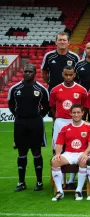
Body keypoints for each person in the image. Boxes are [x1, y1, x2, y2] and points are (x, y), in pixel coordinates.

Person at [8, 64, 49, 192]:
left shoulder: (41, 89)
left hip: (36, 123)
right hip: (20, 123)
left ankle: (39, 181)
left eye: (30, 71)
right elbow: (11, 104)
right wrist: (18, 116)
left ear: (35, 73)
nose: (27, 73)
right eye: (26, 71)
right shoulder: (15, 88)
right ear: (22, 72)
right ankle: (21, 182)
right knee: (21, 152)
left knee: (36, 151)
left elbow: (46, 106)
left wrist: (37, 117)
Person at [51, 104, 90, 201]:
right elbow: (59, 144)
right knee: (55, 161)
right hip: (68, 154)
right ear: (70, 114)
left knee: (83, 161)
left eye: (78, 112)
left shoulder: (89, 127)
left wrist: (85, 153)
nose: (76, 115)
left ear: (82, 113)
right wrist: (58, 153)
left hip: (82, 153)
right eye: (74, 113)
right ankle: (60, 191)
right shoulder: (65, 128)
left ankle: (78, 190)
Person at [49, 66, 88, 150]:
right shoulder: (55, 90)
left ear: (74, 75)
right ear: (62, 74)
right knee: (57, 148)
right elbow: (52, 107)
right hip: (60, 122)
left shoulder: (82, 90)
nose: (68, 77)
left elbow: (84, 107)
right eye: (66, 75)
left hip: (76, 122)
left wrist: (79, 119)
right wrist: (57, 118)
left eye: (70, 75)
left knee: (76, 147)